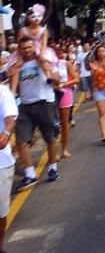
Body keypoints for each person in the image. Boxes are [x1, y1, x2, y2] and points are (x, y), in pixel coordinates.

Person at [9, 35, 61, 190]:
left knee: (49, 138)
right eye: (24, 48)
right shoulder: (17, 65)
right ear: (19, 49)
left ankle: (53, 167)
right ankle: (30, 174)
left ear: (34, 47)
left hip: (45, 103)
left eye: (29, 47)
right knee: (21, 140)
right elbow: (12, 85)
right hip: (24, 105)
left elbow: (57, 80)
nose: (27, 50)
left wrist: (49, 72)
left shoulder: (45, 60)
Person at [0, 74, 17, 252]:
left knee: (1, 212)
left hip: (1, 162)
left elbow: (10, 118)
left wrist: (5, 133)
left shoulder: (3, 92)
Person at [54, 44, 79, 158]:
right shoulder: (46, 65)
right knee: (52, 124)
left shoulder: (66, 63)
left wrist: (64, 84)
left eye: (60, 52)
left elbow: (76, 79)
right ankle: (53, 151)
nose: (58, 54)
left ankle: (64, 149)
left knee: (64, 123)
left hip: (65, 93)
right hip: (50, 95)